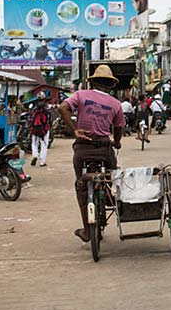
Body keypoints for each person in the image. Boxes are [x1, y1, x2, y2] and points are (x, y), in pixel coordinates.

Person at [58, 65, 125, 243]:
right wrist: (117, 142)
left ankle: (88, 231)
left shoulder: (81, 95)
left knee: (81, 185)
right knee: (113, 173)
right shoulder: (115, 104)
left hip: (82, 148)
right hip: (104, 148)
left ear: (92, 81)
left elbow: (62, 108)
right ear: (110, 85)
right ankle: (109, 194)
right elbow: (118, 129)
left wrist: (75, 130)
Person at [29, 93, 52, 167]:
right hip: (44, 129)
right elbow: (49, 119)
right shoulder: (47, 108)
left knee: (34, 143)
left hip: (34, 129)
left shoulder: (34, 108)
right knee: (44, 145)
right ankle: (42, 162)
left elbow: (31, 118)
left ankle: (35, 155)